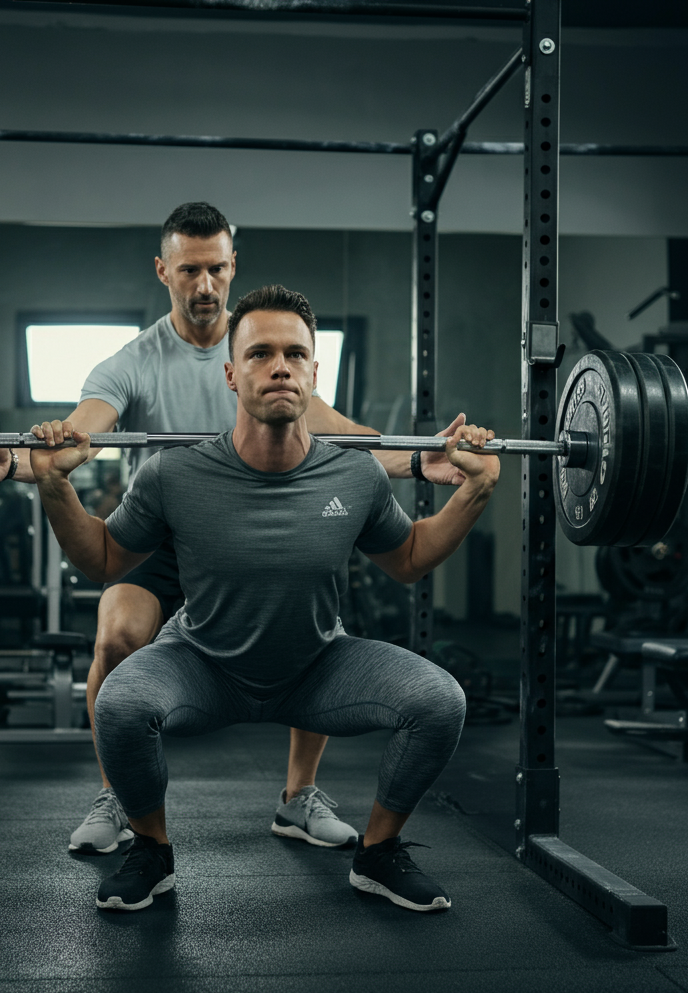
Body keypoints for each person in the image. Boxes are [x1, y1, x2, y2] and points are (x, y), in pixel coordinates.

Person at [0, 202, 470, 857]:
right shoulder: (133, 362)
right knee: (116, 639)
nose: (205, 285)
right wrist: (17, 467)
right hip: (165, 527)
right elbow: (83, 431)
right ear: (163, 271)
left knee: (307, 627)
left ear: (233, 269)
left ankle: (297, 798)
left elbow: (347, 436)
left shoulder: (265, 347)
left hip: (252, 526)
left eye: (217, 270)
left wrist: (416, 461)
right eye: (190, 270)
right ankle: (119, 792)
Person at [30, 284, 500, 913]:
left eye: (294, 354)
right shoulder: (173, 473)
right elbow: (104, 560)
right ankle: (152, 850)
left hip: (316, 668)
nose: (279, 366)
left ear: (313, 370)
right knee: (119, 702)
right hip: (203, 664)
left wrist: (471, 495)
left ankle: (379, 853)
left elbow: (409, 559)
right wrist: (57, 488)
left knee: (440, 701)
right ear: (231, 373)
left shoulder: (353, 473)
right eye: (259, 354)